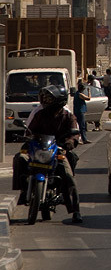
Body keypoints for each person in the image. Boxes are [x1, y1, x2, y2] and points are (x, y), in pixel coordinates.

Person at [12, 84, 83, 224]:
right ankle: (22, 190)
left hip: (57, 150)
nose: (45, 101)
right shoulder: (40, 114)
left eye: (49, 98)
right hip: (39, 148)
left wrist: (69, 142)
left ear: (58, 100)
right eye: (44, 98)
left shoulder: (68, 117)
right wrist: (29, 137)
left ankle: (76, 210)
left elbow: (74, 133)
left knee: (69, 176)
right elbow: (30, 130)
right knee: (20, 158)